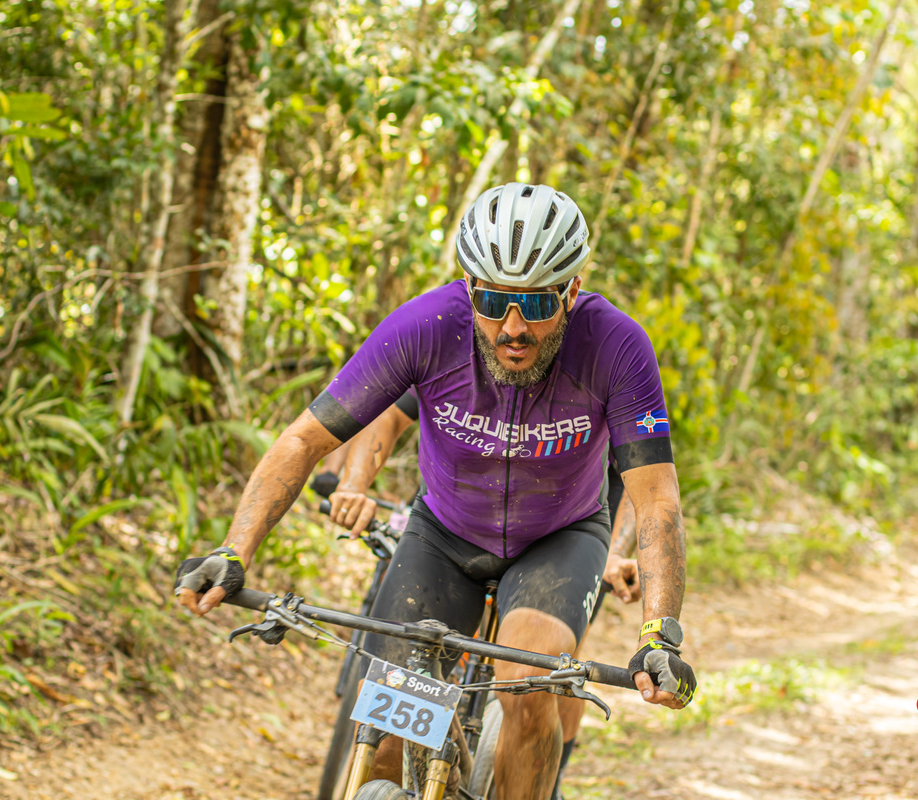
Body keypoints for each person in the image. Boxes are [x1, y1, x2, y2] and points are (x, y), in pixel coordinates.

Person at [175, 183, 695, 800]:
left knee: (528, 684)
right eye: (494, 300)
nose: (513, 327)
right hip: (444, 533)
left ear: (572, 291)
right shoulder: (427, 325)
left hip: (560, 538)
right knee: (389, 726)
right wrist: (234, 549)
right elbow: (305, 439)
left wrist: (659, 633)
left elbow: (656, 499)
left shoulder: (616, 346)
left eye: (536, 303)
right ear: (469, 288)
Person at [324, 396, 641, 799]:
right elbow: (391, 411)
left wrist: (616, 552)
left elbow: (641, 478)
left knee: (554, 663)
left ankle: (548, 776)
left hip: (572, 524)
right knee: (408, 670)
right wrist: (353, 485)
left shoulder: (600, 377)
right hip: (464, 521)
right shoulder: (462, 369)